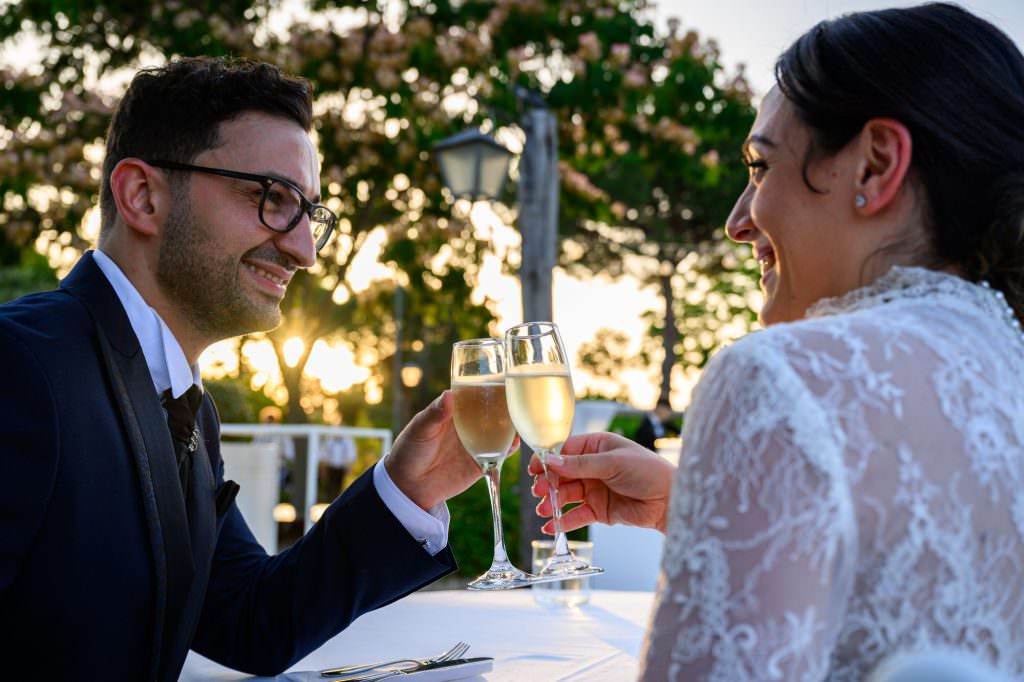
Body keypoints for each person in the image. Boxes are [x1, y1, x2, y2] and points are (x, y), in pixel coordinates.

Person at [531, 4, 1024, 679]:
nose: (738, 221)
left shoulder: (776, 379)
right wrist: (710, 509)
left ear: (875, 166)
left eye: (760, 168)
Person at [0, 57, 480, 682]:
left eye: (311, 213)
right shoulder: (19, 366)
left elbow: (250, 620)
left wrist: (405, 492)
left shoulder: (191, 407)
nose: (304, 249)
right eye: (271, 197)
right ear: (143, 196)